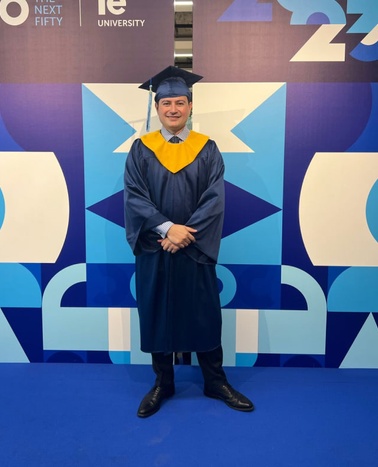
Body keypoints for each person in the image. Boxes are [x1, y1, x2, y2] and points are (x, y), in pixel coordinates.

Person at [124, 66, 254, 418]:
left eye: (180, 102)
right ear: (158, 106)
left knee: (205, 314)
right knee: (157, 313)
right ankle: (163, 383)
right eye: (166, 103)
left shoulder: (207, 149)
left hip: (194, 248)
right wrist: (167, 229)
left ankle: (215, 381)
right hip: (156, 247)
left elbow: (214, 200)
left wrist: (184, 234)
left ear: (191, 107)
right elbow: (135, 197)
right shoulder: (141, 149)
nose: (173, 109)